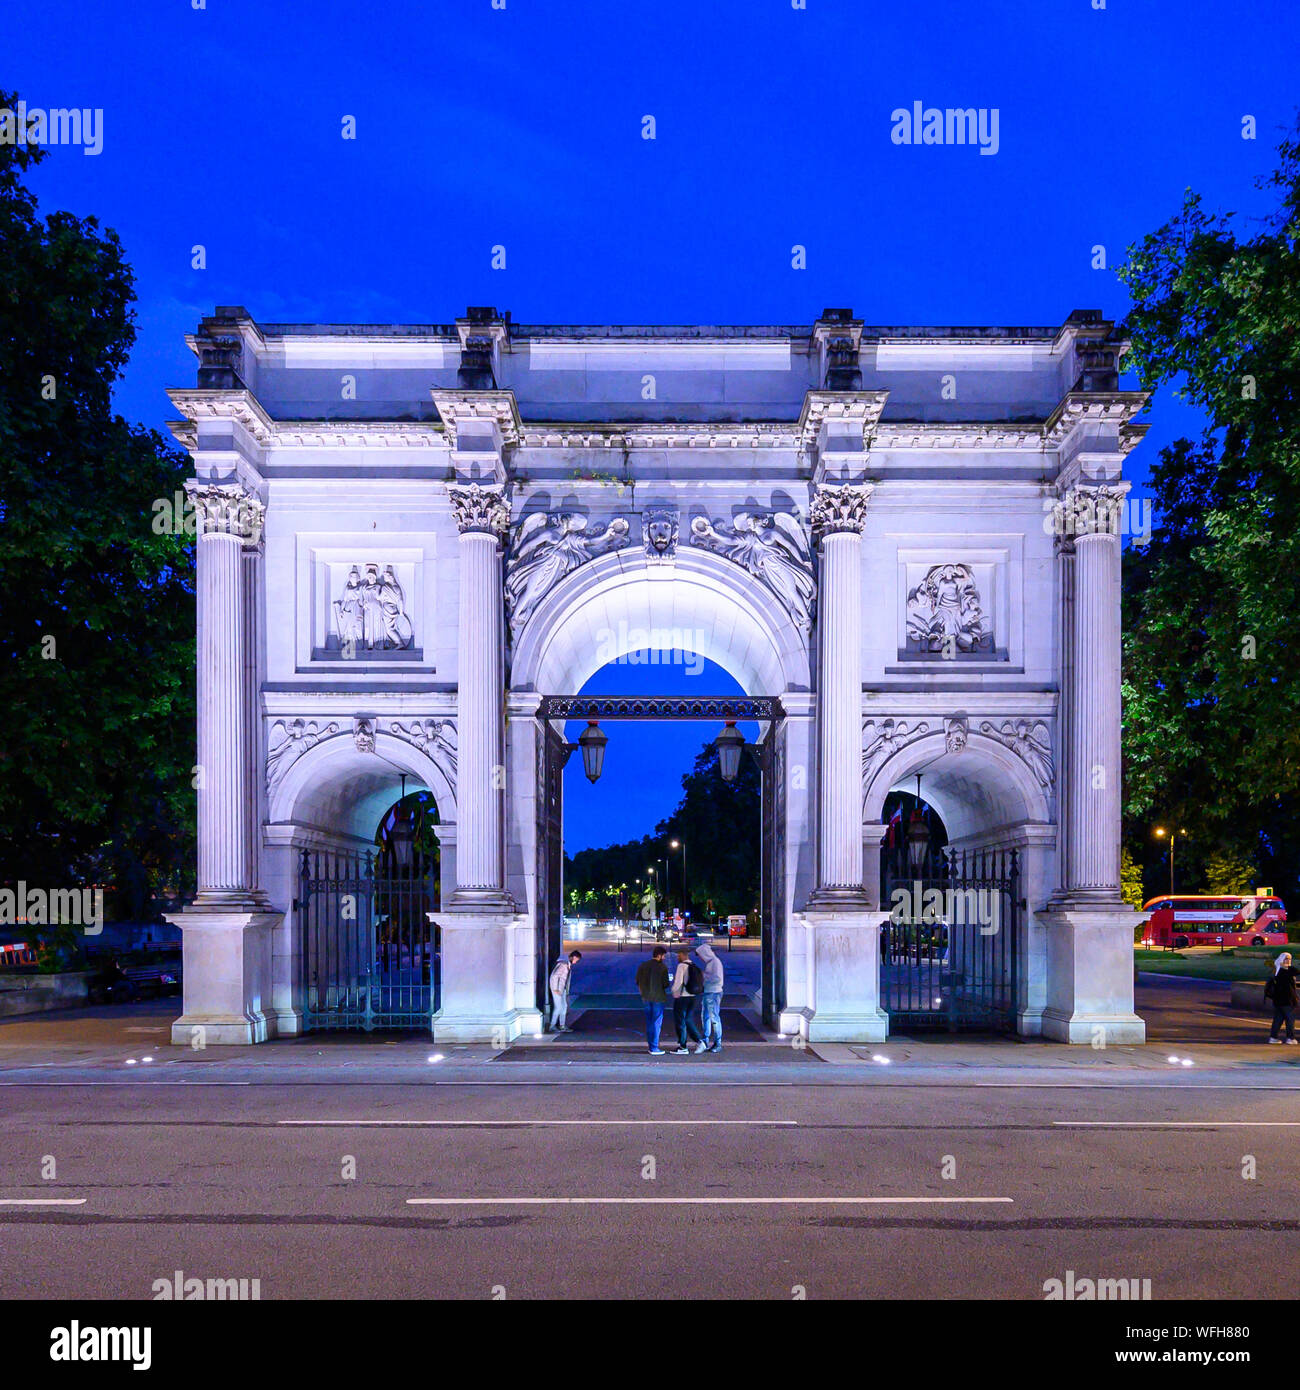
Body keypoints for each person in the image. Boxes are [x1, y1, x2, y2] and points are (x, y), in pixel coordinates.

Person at [635, 946, 672, 1055]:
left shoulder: (643, 966)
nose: (664, 958)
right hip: (658, 998)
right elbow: (665, 984)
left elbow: (637, 980)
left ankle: (651, 1045)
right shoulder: (662, 968)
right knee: (656, 1022)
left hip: (646, 998)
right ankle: (654, 1047)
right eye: (664, 955)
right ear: (659, 955)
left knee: (649, 1022)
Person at [669, 949, 706, 1054]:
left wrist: (673, 991)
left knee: (680, 1021)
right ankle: (699, 1041)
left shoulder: (681, 966)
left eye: (678, 956)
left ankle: (683, 1046)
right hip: (693, 997)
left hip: (683, 997)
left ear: (682, 955)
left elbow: (678, 983)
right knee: (688, 1020)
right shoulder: (693, 965)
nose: (677, 958)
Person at [695, 940, 724, 1052]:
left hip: (713, 992)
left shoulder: (714, 962)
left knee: (713, 1018)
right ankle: (707, 1040)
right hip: (710, 992)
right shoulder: (712, 962)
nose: (701, 958)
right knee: (706, 1017)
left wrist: (704, 976)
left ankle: (717, 1043)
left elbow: (716, 978)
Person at [1266, 951, 1299, 1044]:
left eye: (1289, 959)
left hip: (1278, 1000)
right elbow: (1296, 971)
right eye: (1286, 958)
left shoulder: (1277, 971)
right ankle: (1290, 1038)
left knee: (1278, 1019)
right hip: (1287, 1000)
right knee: (1290, 1019)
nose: (1288, 961)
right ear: (1281, 959)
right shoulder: (1287, 971)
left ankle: (1273, 1037)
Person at [548, 950, 582, 1033]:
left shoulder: (567, 965)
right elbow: (554, 976)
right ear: (573, 957)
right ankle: (552, 1026)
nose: (576, 961)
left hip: (562, 989)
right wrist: (555, 989)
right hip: (557, 989)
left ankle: (562, 1025)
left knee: (564, 1006)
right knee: (559, 1007)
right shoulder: (563, 965)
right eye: (577, 959)